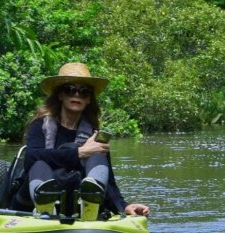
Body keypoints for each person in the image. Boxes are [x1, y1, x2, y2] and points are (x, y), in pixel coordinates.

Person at [18, 62, 150, 220]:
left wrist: (124, 206)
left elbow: (109, 181)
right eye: (70, 90)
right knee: (39, 163)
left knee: (98, 154)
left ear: (89, 100)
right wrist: (79, 153)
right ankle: (46, 209)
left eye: (84, 92)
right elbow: (30, 158)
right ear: (60, 95)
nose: (77, 95)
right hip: (39, 187)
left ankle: (90, 206)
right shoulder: (40, 124)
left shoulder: (95, 134)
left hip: (75, 193)